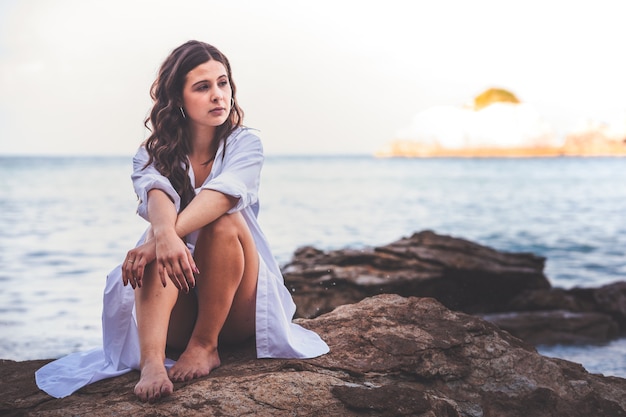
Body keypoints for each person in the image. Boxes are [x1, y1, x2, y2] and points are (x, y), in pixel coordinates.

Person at [35, 40, 329, 403]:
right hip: (176, 309)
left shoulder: (245, 144)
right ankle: (152, 362)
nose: (218, 95)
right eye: (203, 87)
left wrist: (163, 237)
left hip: (234, 309)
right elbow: (156, 198)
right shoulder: (152, 152)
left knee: (223, 222)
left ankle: (205, 345)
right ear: (178, 98)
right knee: (160, 242)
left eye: (223, 83)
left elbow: (221, 195)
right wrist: (163, 238)